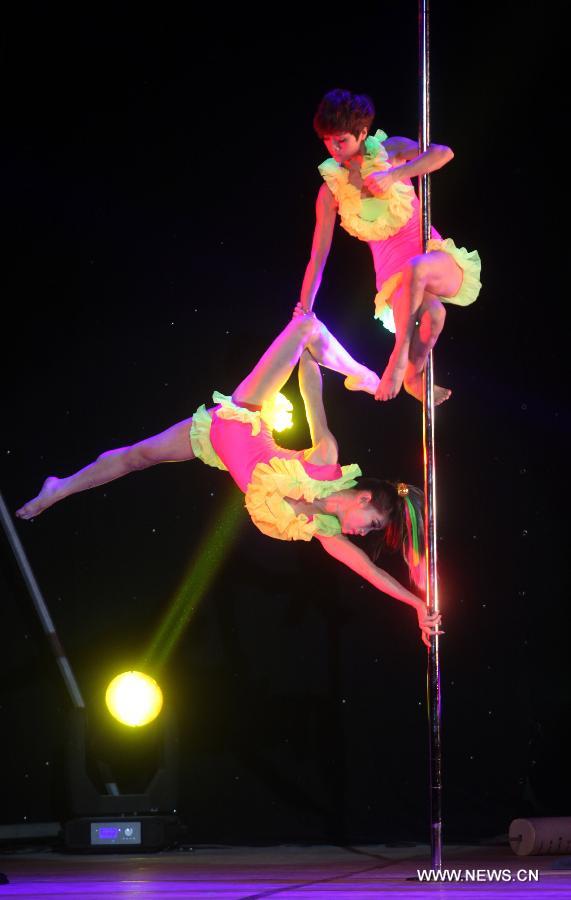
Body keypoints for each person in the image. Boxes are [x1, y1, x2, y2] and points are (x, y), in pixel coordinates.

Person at [16, 312, 441, 646]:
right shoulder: (326, 461)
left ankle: (59, 487)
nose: (361, 532)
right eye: (369, 524)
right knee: (306, 327)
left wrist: (415, 604)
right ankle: (366, 376)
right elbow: (313, 394)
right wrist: (310, 355)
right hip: (244, 417)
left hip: (218, 448)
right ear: (364, 499)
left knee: (139, 458)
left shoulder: (323, 529)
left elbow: (366, 569)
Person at [299, 88, 482, 404]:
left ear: (363, 133)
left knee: (418, 267)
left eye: (341, 140)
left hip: (432, 257)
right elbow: (319, 255)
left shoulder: (390, 150)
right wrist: (304, 309)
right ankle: (413, 375)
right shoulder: (330, 191)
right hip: (394, 279)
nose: (334, 148)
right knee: (433, 317)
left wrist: (396, 173)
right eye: (328, 141)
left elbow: (443, 153)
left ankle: (397, 361)